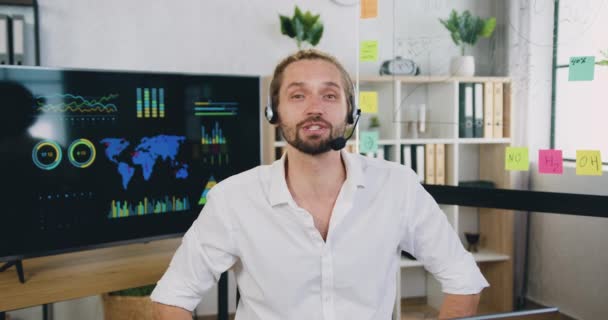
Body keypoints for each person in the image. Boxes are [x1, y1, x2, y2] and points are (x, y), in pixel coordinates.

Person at [151, 49, 489, 319]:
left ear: (351, 112)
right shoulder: (234, 198)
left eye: (329, 96)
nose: (315, 108)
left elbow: (464, 278)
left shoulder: (396, 186)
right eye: (298, 96)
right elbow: (172, 297)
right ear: (274, 113)